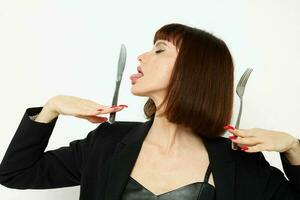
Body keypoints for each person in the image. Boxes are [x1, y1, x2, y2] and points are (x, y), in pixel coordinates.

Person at [0, 23, 299, 200]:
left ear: (193, 72)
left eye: (159, 49)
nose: (142, 56)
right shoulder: (106, 142)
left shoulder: (238, 161)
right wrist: (51, 108)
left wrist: (293, 148)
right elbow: (14, 173)